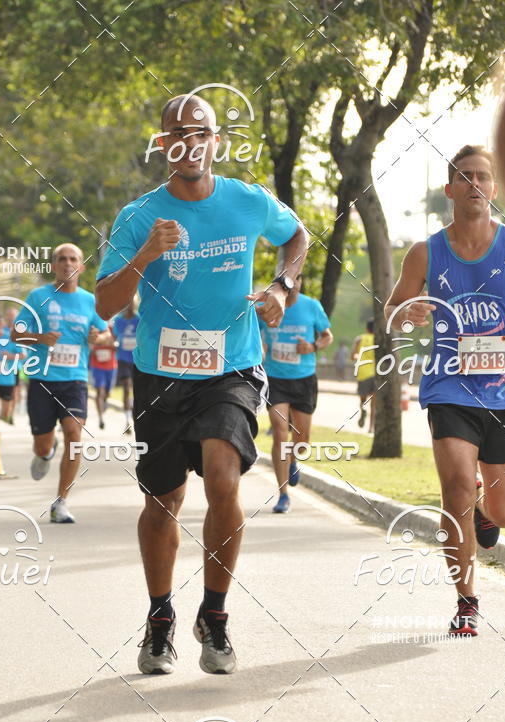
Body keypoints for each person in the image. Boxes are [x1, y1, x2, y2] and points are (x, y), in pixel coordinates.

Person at [95, 93, 308, 675]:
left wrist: (283, 288)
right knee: (162, 501)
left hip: (232, 368)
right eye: (177, 132)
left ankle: (214, 616)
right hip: (161, 375)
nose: (190, 141)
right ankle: (160, 619)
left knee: (223, 478)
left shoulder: (246, 201)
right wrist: (145, 254)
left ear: (216, 141)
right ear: (163, 143)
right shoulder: (139, 215)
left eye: (201, 131)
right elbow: (106, 304)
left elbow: (298, 237)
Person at [385, 144, 505, 637]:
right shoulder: (426, 252)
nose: (475, 183)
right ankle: (466, 600)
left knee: (503, 510)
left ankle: (486, 509)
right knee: (456, 485)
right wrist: (407, 312)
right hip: (449, 388)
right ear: (450, 189)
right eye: (465, 176)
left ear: (495, 189)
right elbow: (392, 313)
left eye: (483, 176)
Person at [11, 243, 111, 523]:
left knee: (74, 436)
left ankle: (61, 502)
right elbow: (15, 334)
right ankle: (45, 453)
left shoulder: (91, 301)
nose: (67, 264)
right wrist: (41, 339)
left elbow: (106, 336)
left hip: (74, 381)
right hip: (42, 380)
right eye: (62, 259)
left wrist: (97, 339)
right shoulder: (38, 296)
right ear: (54, 266)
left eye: (73, 260)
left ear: (81, 267)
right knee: (42, 446)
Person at [259, 274, 333, 513]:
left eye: (298, 278)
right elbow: (252, 331)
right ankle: (283, 495)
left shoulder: (311, 306)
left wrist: (312, 347)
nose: (293, 283)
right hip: (276, 378)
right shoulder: (267, 306)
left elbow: (327, 336)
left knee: (301, 442)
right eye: (287, 280)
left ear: (301, 282)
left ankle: (293, 459)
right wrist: (260, 348)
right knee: (280, 435)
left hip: (303, 378)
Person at [113, 296, 140, 434]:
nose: (130, 306)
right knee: (126, 388)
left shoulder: (139, 319)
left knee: (137, 390)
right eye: (128, 303)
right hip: (123, 359)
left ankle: (137, 419)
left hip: (137, 360)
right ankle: (127, 421)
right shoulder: (118, 320)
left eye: (132, 303)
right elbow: (114, 337)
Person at [89, 322, 117, 430]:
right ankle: (101, 418)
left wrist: (112, 344)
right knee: (99, 391)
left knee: (107, 392)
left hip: (111, 365)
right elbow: (89, 344)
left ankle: (105, 401)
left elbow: (117, 343)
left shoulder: (111, 328)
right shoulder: (93, 327)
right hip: (97, 365)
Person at [351, 318, 376, 431]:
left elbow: (352, 356)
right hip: (376, 373)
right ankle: (371, 428)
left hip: (362, 373)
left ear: (366, 328)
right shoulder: (379, 340)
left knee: (362, 399)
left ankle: (363, 410)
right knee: (374, 404)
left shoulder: (359, 339)